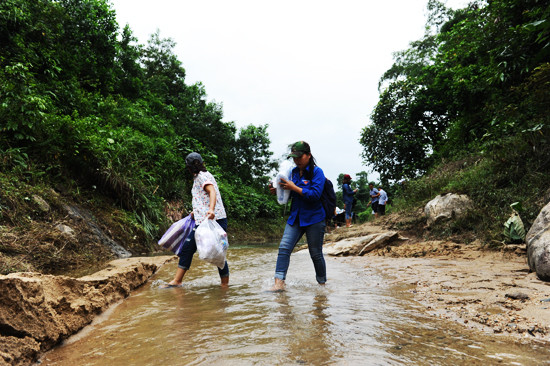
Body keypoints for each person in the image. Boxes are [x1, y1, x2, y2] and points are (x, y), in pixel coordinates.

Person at [165, 152, 229, 288]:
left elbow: (211, 191)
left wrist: (211, 210)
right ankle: (178, 281)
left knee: (216, 251)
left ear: (189, 166)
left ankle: (224, 285)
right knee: (190, 248)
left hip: (213, 220)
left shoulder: (202, 176)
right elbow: (203, 197)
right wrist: (197, 212)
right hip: (204, 221)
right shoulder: (199, 177)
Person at [270, 141, 327, 291]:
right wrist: (278, 190)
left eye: (299, 157)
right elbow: (290, 194)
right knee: (284, 248)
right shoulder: (293, 172)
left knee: (315, 254)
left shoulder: (317, 172)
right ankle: (278, 284)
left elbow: (314, 195)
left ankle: (322, 285)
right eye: (294, 157)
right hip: (296, 217)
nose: (296, 160)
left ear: (308, 155)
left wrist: (293, 187)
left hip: (314, 218)